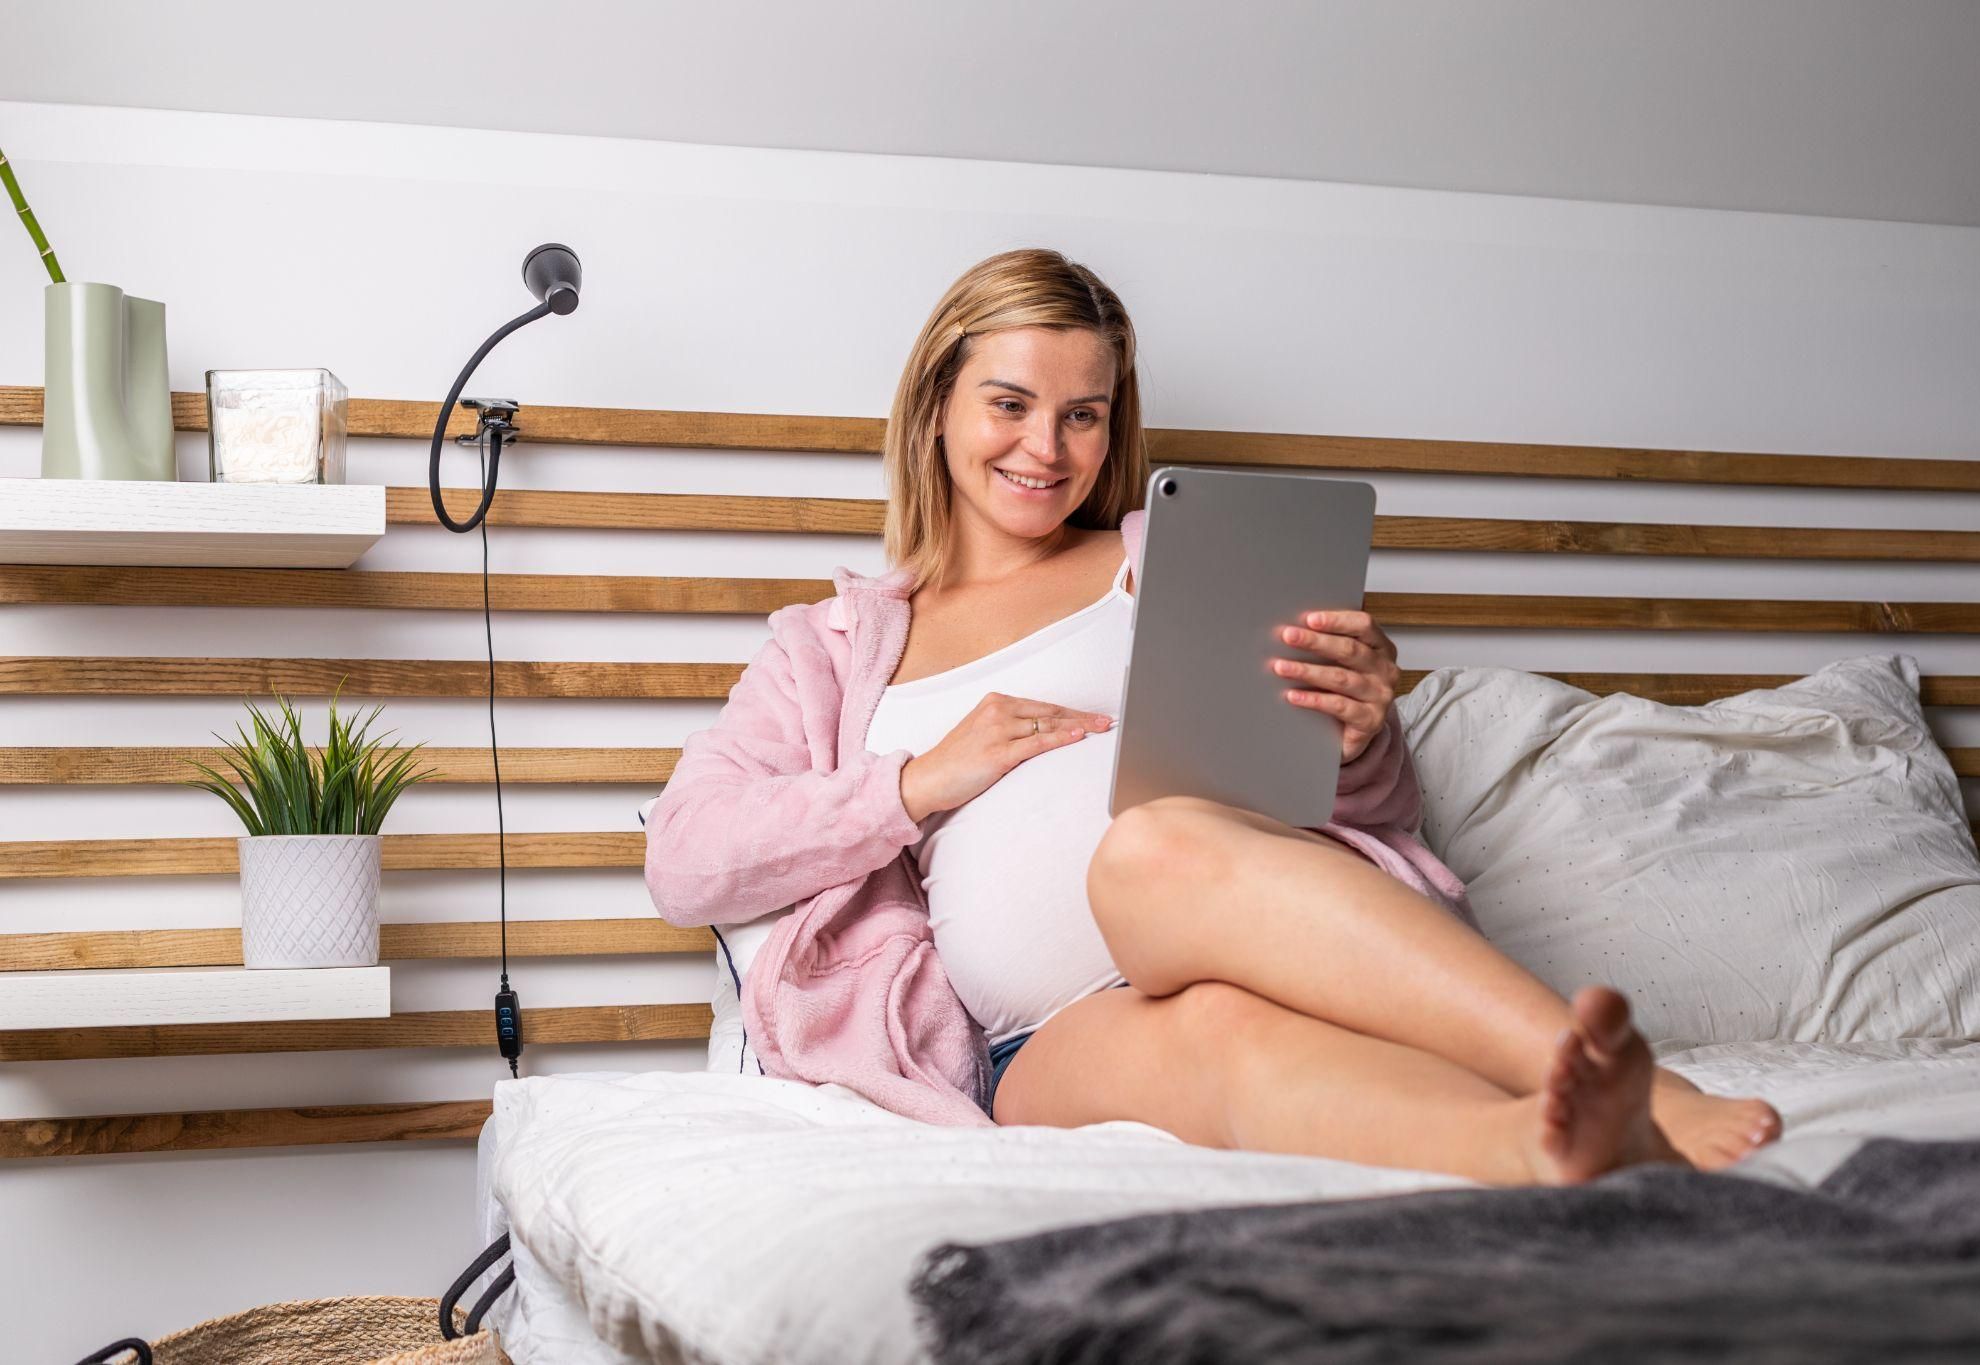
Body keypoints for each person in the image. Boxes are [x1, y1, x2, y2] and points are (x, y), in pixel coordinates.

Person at [647, 247, 1784, 1186]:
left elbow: (1367, 810)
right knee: (1223, 1048)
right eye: (1009, 404)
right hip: (1038, 1043)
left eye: (1081, 415)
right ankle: (1546, 1149)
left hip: (1239, 921)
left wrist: (1353, 734)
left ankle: (1648, 1095)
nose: (1044, 449)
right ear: (937, 402)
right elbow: (683, 859)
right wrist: (914, 784)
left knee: (1154, 846)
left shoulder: (1167, 557)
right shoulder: (830, 648)